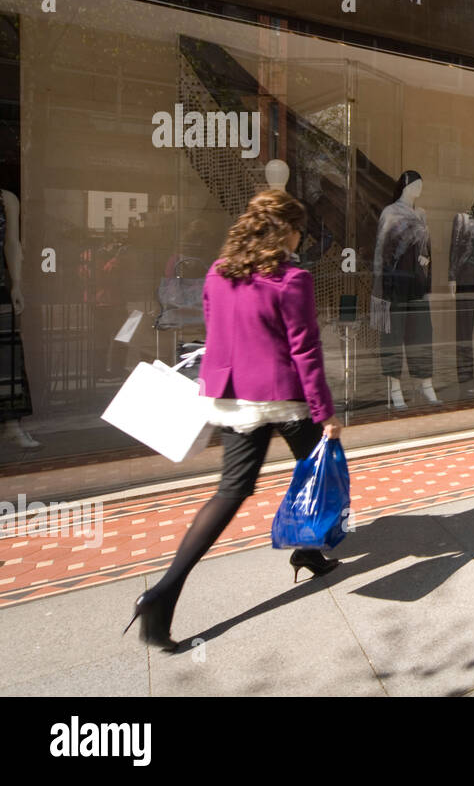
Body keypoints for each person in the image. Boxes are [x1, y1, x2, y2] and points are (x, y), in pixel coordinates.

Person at [125, 190, 343, 651]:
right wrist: (326, 414)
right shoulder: (292, 278)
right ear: (284, 230)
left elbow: (213, 326)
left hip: (231, 397)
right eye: (298, 229)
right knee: (324, 469)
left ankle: (163, 594)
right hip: (282, 397)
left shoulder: (219, 272)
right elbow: (305, 350)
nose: (300, 238)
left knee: (230, 493)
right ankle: (306, 545)